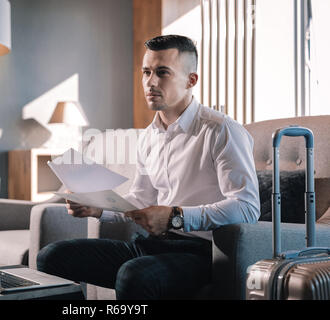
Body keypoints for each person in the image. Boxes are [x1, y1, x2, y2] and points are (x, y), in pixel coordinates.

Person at [37, 35, 260, 299]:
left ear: (191, 80)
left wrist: (175, 216)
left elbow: (247, 208)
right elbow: (141, 200)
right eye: (146, 72)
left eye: (162, 73)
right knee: (52, 257)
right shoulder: (148, 136)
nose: (150, 82)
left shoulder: (222, 130)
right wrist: (99, 208)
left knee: (134, 274)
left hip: (204, 253)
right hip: (152, 245)